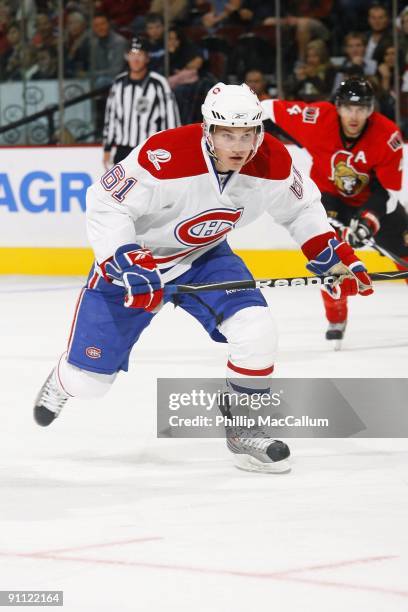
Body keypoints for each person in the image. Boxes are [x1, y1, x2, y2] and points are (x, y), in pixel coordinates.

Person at [33, 82, 373, 473]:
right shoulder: (166, 154)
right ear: (208, 130)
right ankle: (63, 380)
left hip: (205, 256)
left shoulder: (273, 161)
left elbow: (302, 209)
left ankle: (243, 431)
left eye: (247, 134)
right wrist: (124, 258)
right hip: (137, 264)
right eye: (227, 134)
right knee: (88, 385)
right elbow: (106, 204)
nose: (239, 145)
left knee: (257, 329)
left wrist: (331, 258)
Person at [261, 77, 406, 345]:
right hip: (329, 200)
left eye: (362, 108)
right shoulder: (316, 118)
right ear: (337, 107)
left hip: (373, 203)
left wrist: (368, 221)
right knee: (331, 259)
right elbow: (266, 109)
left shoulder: (387, 136)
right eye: (348, 108)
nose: (354, 115)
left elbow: (388, 192)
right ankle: (336, 315)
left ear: (371, 109)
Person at [102, 36, 180, 170]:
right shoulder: (118, 84)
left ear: (147, 58)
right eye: (132, 55)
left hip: (150, 150)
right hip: (123, 151)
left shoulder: (159, 84)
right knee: (122, 190)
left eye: (140, 55)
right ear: (127, 57)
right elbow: (111, 117)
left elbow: (171, 119)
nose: (135, 59)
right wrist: (107, 148)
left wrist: (172, 147)